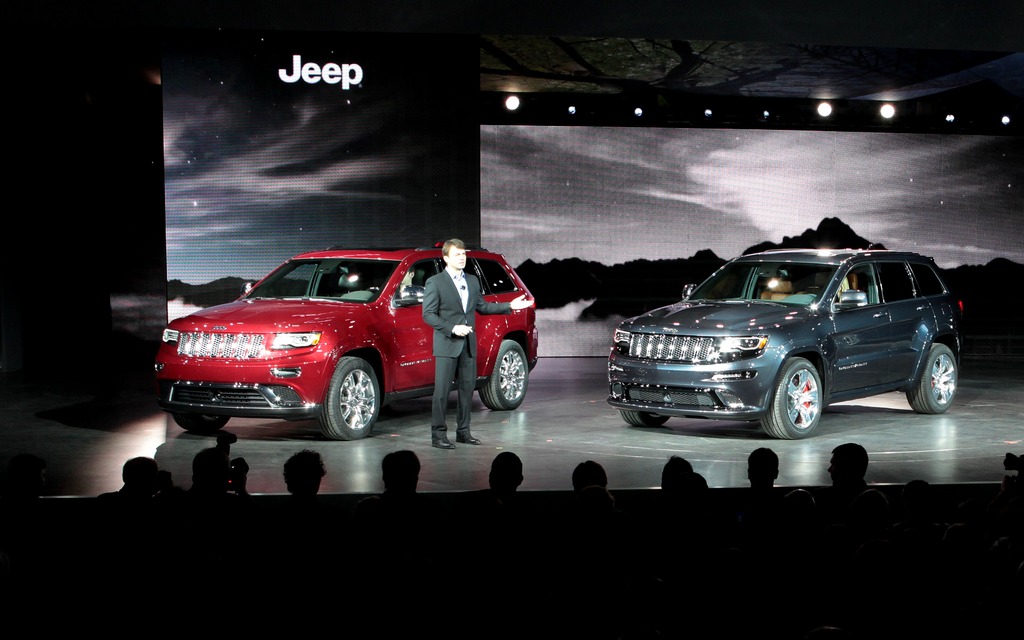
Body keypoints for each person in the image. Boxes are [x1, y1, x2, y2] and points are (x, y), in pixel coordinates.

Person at [421, 238, 534, 449]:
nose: (462, 258)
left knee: (466, 390)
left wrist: (509, 305)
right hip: (447, 343)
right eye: (457, 254)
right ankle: (438, 435)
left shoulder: (472, 280)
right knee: (441, 392)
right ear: (446, 258)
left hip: (468, 344)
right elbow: (428, 315)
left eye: (463, 254)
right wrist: (452, 328)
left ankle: (464, 432)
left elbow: (482, 307)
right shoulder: (435, 282)